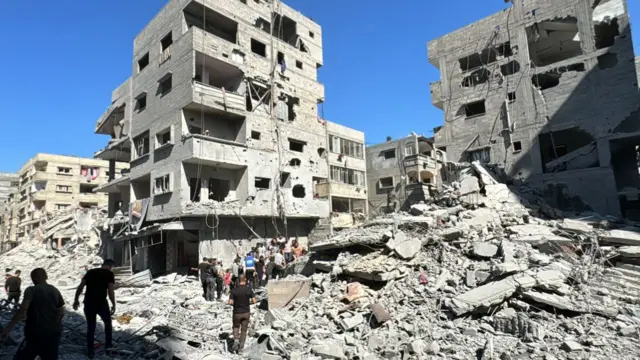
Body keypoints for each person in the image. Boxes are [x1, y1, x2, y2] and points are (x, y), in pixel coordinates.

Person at [1, 268, 64, 360]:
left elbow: (22, 311)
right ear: (46, 276)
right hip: (53, 334)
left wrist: (8, 328)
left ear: (33, 279)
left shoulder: (31, 290)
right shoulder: (55, 290)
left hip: (35, 333)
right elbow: (60, 311)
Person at [73, 259, 116, 359]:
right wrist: (113, 304)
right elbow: (110, 291)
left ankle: (90, 351)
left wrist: (76, 300)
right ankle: (108, 346)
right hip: (101, 303)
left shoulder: (90, 272)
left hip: (88, 303)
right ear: (110, 266)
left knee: (91, 327)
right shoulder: (109, 274)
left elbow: (80, 287)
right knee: (108, 324)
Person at [228, 274, 256, 354]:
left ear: (238, 280)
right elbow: (254, 301)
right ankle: (240, 349)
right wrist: (248, 303)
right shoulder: (249, 289)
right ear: (245, 279)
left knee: (236, 326)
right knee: (244, 330)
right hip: (246, 312)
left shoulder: (234, 290)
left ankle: (236, 339)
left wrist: (235, 304)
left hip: (237, 312)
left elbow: (230, 302)